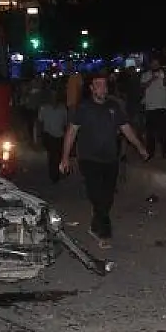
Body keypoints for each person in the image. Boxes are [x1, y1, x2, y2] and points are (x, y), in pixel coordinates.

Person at [59, 72, 148, 249]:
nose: (103, 88)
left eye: (104, 85)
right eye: (98, 85)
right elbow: (71, 133)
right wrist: (65, 158)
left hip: (110, 159)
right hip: (89, 158)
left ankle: (94, 225)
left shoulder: (113, 106)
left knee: (107, 198)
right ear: (91, 88)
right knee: (97, 196)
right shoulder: (83, 108)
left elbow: (126, 129)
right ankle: (104, 233)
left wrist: (140, 147)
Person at [140, 59, 166, 158]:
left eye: (157, 63)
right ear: (150, 65)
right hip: (151, 107)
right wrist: (152, 79)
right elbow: (142, 86)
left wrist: (164, 77)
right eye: (153, 63)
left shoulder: (165, 73)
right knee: (150, 132)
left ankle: (165, 153)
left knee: (164, 131)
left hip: (163, 106)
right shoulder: (145, 74)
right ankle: (150, 153)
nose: (155, 65)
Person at [36, 93, 68, 183]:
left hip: (59, 136)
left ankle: (56, 173)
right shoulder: (44, 108)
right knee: (52, 155)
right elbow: (40, 122)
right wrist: (39, 135)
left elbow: (65, 123)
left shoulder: (62, 109)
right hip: (49, 135)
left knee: (57, 155)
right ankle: (54, 174)